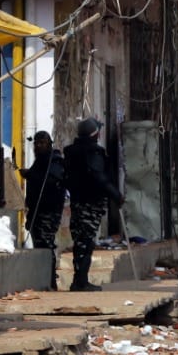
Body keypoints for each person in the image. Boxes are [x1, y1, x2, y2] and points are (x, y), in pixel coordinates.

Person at [62, 118, 123, 292]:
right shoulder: (93, 153)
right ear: (95, 133)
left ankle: (79, 280)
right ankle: (81, 282)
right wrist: (116, 195)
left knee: (80, 241)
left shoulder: (71, 152)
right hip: (91, 203)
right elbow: (99, 177)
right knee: (86, 242)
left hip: (77, 201)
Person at [20, 131, 65, 290]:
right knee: (39, 245)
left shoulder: (55, 162)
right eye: (36, 143)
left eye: (42, 143)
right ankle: (43, 280)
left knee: (46, 246)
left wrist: (30, 175)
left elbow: (50, 182)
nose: (38, 146)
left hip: (48, 212)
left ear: (49, 144)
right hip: (36, 212)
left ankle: (50, 281)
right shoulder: (39, 162)